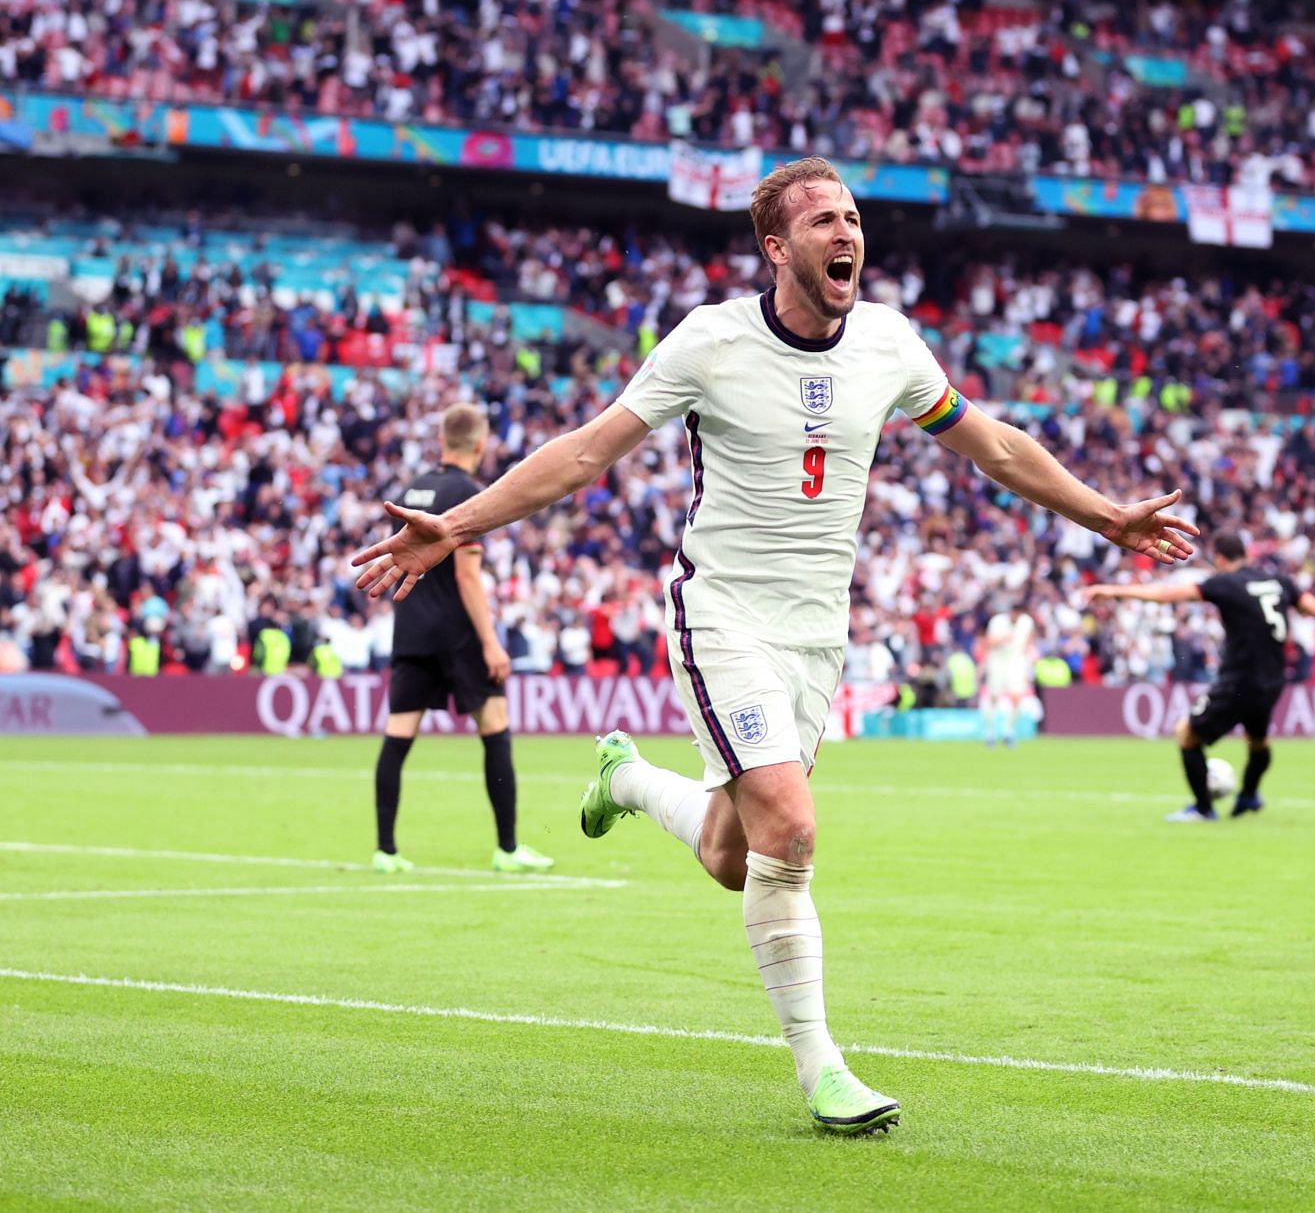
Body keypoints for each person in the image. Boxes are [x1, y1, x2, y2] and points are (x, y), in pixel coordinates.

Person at [350, 156, 1198, 1136]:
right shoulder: (709, 342)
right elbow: (584, 453)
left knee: (731, 851)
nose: (848, 234)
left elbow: (995, 445)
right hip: (723, 612)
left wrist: (1107, 517)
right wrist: (457, 526)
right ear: (776, 246)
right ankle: (823, 1069)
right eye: (824, 221)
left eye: (853, 217)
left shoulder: (889, 344)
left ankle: (625, 780)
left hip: (815, 634)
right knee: (790, 829)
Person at [371, 402, 552, 876]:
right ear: (479, 443)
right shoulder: (469, 494)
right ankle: (508, 848)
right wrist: (491, 643)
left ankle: (385, 851)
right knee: (494, 728)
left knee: (397, 737)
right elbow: (469, 578)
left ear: (440, 440)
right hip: (457, 632)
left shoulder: (412, 489)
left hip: (410, 627)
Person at [1083, 531, 1315, 822]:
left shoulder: (1226, 583)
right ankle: (1248, 796)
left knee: (1187, 734)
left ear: (1220, 558)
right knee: (1258, 741)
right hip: (1273, 681)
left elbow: (1166, 595)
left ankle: (1203, 808)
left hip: (1239, 681)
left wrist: (1113, 591)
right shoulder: (1278, 582)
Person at [978, 600, 1038, 748]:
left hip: (1016, 661)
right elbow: (989, 642)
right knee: (994, 696)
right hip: (998, 660)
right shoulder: (997, 622)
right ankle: (990, 732)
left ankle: (1008, 731)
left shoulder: (1026, 622)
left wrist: (1028, 661)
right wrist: (1005, 637)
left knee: (1017, 696)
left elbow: (1028, 642)